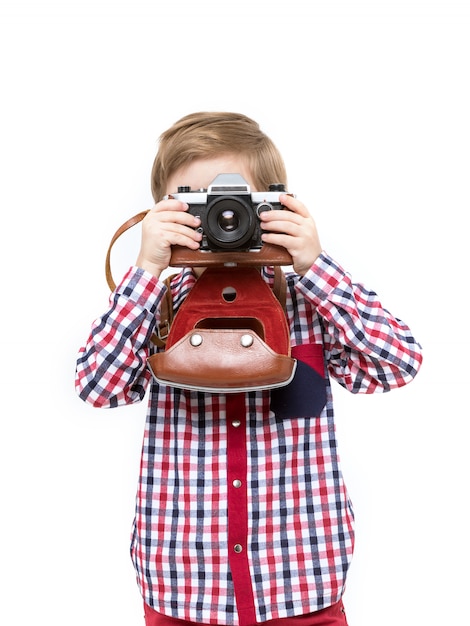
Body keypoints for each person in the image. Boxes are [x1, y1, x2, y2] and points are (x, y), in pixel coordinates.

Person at [75, 111, 423, 626]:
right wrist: (147, 268)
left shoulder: (312, 303)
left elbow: (397, 363)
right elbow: (98, 387)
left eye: (235, 201)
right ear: (160, 212)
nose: (223, 217)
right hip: (185, 590)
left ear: (275, 207)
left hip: (301, 585)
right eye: (195, 202)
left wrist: (314, 265)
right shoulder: (158, 305)